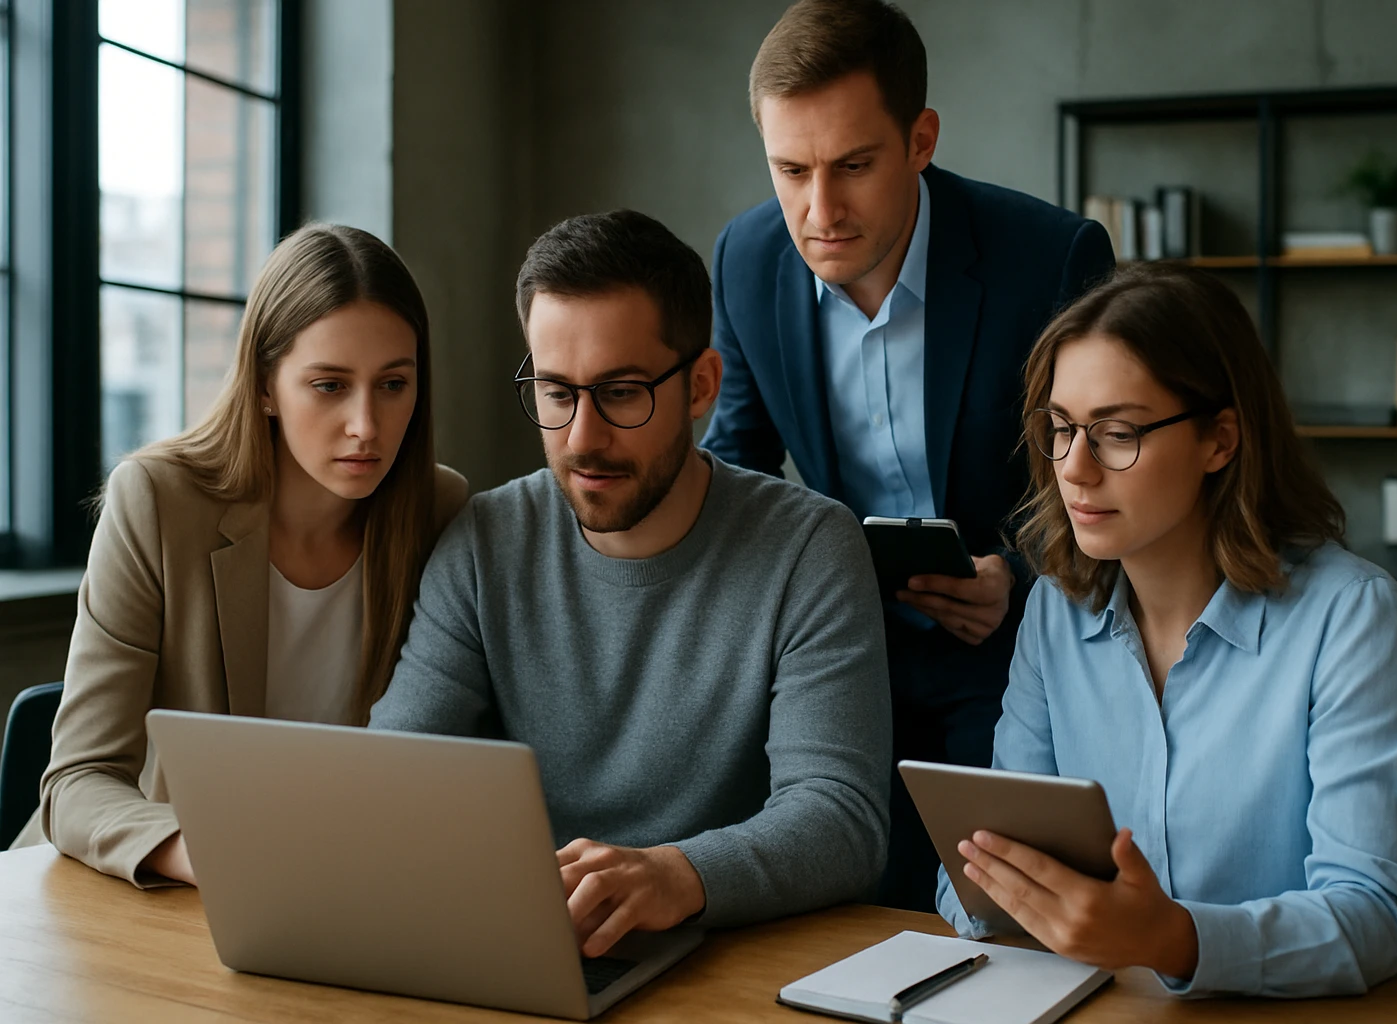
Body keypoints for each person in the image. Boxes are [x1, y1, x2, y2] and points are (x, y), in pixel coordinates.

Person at [368, 210, 891, 959]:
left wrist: (676, 875)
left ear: (702, 384)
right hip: (537, 953)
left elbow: (843, 822)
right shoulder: (483, 541)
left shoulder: (809, 547)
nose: (582, 437)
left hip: (730, 963)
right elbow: (394, 776)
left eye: (620, 393)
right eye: (555, 392)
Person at [700, 0, 1116, 909]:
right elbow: (735, 464)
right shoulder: (744, 259)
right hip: (838, 650)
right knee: (831, 899)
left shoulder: (1049, 260)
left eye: (853, 166)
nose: (820, 210)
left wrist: (1015, 573)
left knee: (986, 918)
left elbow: (1108, 469)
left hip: (1012, 651)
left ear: (920, 139)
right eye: (790, 170)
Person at [937, 263, 1397, 997]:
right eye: (1061, 429)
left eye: (1116, 433)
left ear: (1220, 441)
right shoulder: (1055, 610)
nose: (1075, 469)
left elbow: (1376, 916)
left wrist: (1172, 938)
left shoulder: (1352, 617)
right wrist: (993, 894)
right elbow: (977, 873)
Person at [14, 224, 468, 886]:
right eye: (329, 385)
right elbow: (79, 779)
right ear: (263, 384)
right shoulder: (157, 501)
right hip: (149, 888)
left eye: (393, 384)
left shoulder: (437, 510)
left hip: (336, 885)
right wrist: (216, 856)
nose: (366, 425)